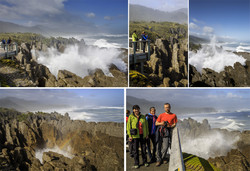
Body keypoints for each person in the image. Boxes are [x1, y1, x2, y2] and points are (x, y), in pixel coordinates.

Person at [127, 105, 149, 169]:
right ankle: (136, 163)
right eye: (135, 109)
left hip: (143, 135)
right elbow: (128, 127)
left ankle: (145, 162)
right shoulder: (131, 117)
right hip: (135, 136)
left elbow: (146, 126)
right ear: (133, 110)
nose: (136, 110)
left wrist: (147, 134)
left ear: (139, 109)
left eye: (137, 109)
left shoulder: (143, 116)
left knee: (144, 149)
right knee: (135, 150)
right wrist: (130, 136)